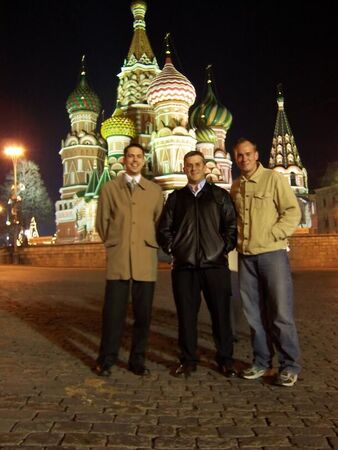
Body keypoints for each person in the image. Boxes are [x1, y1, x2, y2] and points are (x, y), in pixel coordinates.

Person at [158, 150, 237, 378]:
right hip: (184, 267)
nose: (193, 168)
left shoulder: (219, 195)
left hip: (215, 265)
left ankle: (225, 359)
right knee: (186, 315)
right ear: (184, 168)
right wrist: (174, 249)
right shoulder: (176, 198)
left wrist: (223, 248)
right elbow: (164, 229)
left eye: (197, 164)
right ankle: (188, 359)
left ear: (205, 167)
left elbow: (231, 226)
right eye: (189, 165)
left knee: (221, 314)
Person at [230, 138, 301, 387]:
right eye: (239, 155)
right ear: (235, 158)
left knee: (280, 312)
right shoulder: (236, 187)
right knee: (253, 314)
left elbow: (292, 211)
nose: (244, 158)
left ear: (256, 154)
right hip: (246, 257)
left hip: (272, 254)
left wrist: (274, 234)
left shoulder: (273, 178)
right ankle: (262, 362)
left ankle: (289, 365)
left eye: (248, 154)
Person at [95, 143, 163, 377]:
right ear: (123, 160)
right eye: (130, 156)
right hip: (120, 258)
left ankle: (137, 359)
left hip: (145, 258)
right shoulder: (110, 189)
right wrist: (116, 241)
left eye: (139, 157)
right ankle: (106, 359)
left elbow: (159, 222)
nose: (134, 160)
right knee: (113, 313)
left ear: (144, 161)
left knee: (143, 315)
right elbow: (102, 223)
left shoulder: (154, 191)